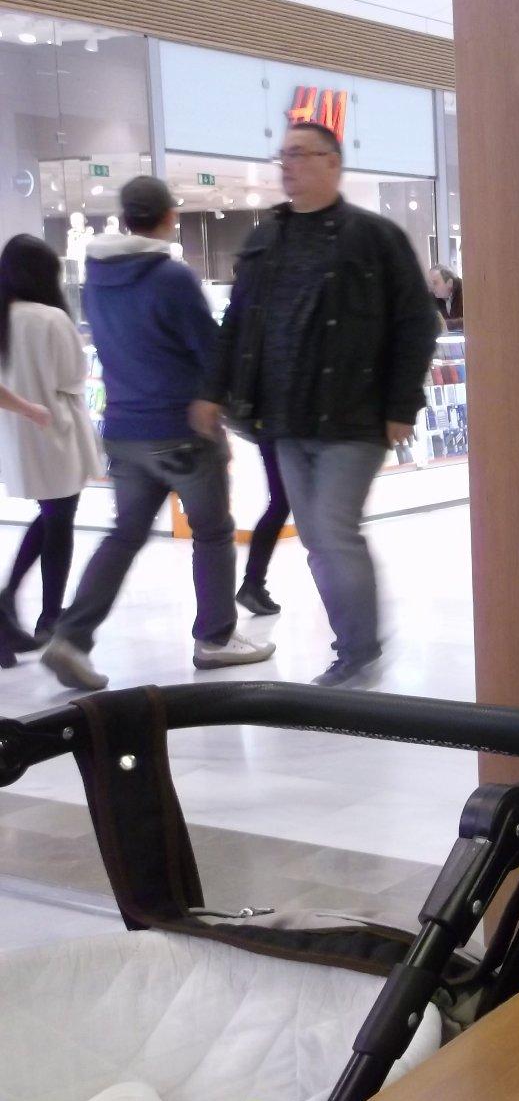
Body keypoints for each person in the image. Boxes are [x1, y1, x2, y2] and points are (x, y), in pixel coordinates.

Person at [193, 121, 438, 687]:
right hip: (283, 419)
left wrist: (401, 404)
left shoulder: (373, 237)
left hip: (354, 415)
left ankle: (357, 650)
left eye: (301, 154)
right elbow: (236, 324)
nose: (289, 165)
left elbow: (416, 322)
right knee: (317, 537)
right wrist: (212, 390)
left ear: (333, 163)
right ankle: (354, 642)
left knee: (332, 528)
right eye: (284, 155)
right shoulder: (265, 239)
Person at [41, 178, 273, 692]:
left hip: (124, 428)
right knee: (212, 530)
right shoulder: (171, 277)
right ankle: (215, 637)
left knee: (125, 533)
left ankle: (71, 636)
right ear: (169, 216)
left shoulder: (96, 279)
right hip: (181, 427)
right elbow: (210, 350)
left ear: (126, 218)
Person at [0, 236, 99, 666]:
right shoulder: (52, 318)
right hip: (55, 428)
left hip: (20, 431)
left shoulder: (5, 318)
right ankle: (47, 615)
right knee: (60, 520)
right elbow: (73, 376)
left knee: (52, 516)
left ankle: (15, 606)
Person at [235, 438, 288, 616]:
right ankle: (253, 583)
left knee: (279, 505)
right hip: (288, 434)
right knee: (281, 505)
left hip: (272, 432)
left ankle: (253, 582)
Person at [427, 264, 463, 330]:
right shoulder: (434, 296)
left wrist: (444, 324)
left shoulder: (466, 292)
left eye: (435, 283)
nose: (431, 287)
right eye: (430, 283)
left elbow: (472, 320)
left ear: (449, 283)